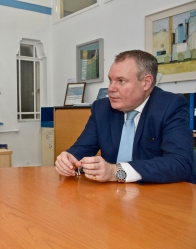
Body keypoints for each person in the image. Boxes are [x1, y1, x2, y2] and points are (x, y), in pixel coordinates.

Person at [55, 50, 196, 184]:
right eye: (111, 80)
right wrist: (69, 158)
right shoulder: (102, 108)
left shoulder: (170, 106)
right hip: (113, 195)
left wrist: (115, 171)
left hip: (159, 195)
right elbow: (83, 148)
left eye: (121, 81)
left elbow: (181, 163)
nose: (111, 88)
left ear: (146, 82)